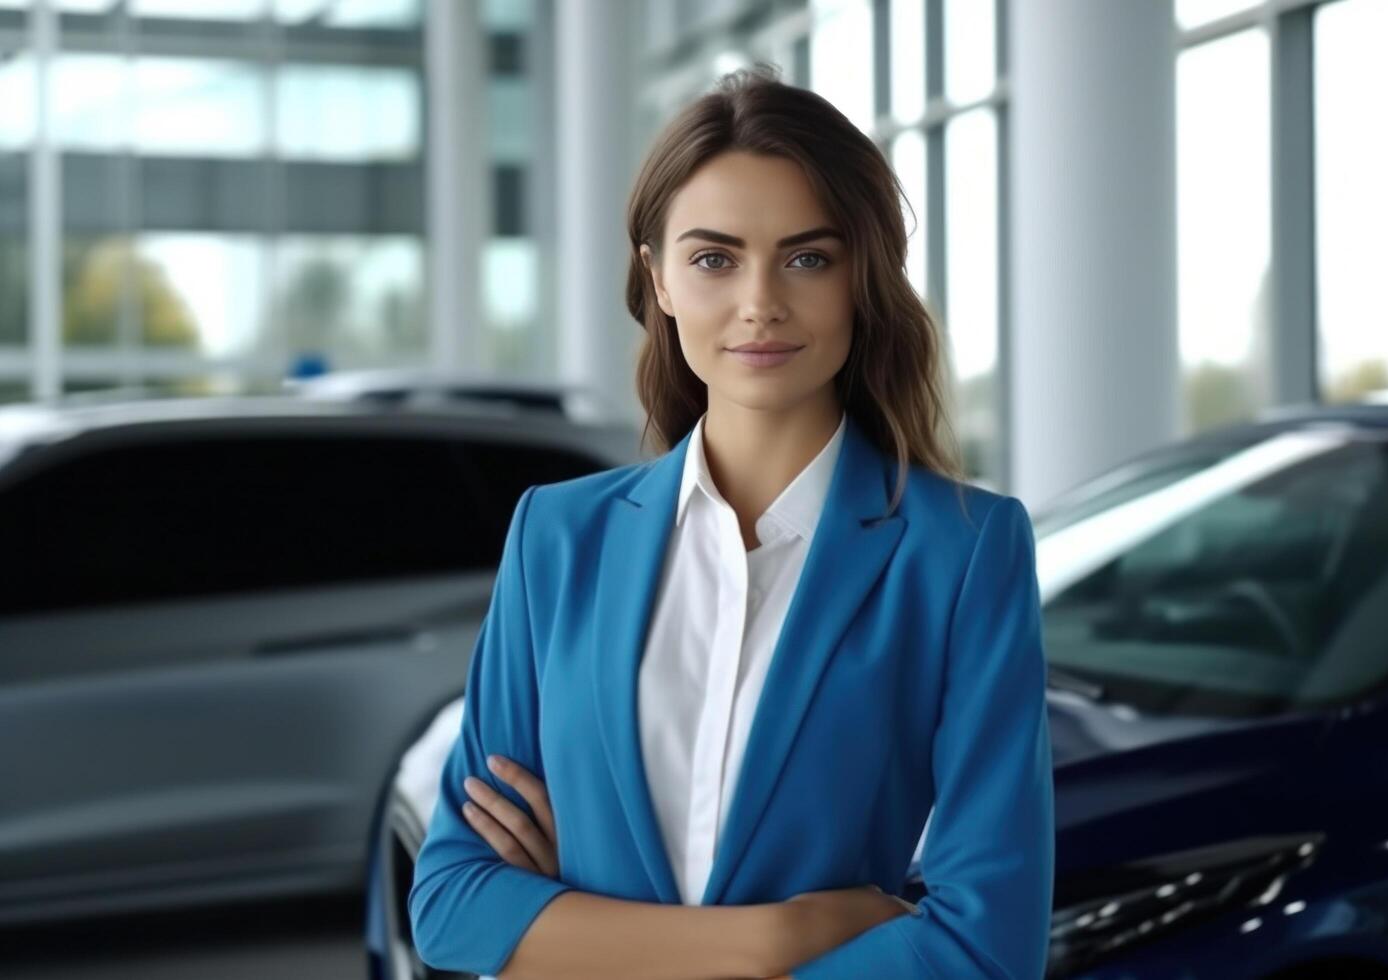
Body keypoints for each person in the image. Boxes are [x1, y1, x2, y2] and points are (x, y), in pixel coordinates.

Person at [408, 63, 1054, 980]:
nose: (760, 302)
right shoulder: (556, 538)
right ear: (659, 279)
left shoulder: (961, 553)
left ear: (860, 278)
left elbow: (987, 946)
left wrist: (577, 932)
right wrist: (773, 941)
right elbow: (452, 903)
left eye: (807, 257)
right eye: (714, 258)